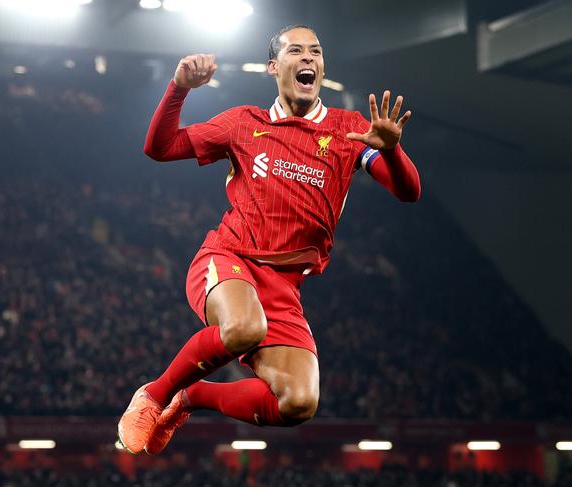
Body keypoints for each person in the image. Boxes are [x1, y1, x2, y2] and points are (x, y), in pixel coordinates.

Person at [118, 24, 421, 455]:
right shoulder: (244, 123)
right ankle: (153, 396)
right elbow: (160, 147)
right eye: (295, 51)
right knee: (243, 327)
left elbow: (409, 193)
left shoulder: (348, 130)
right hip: (229, 258)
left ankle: (192, 397)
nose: (308, 59)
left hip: (285, 286)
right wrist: (179, 89)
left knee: (299, 402)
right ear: (273, 66)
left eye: (315, 52)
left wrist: (391, 149)